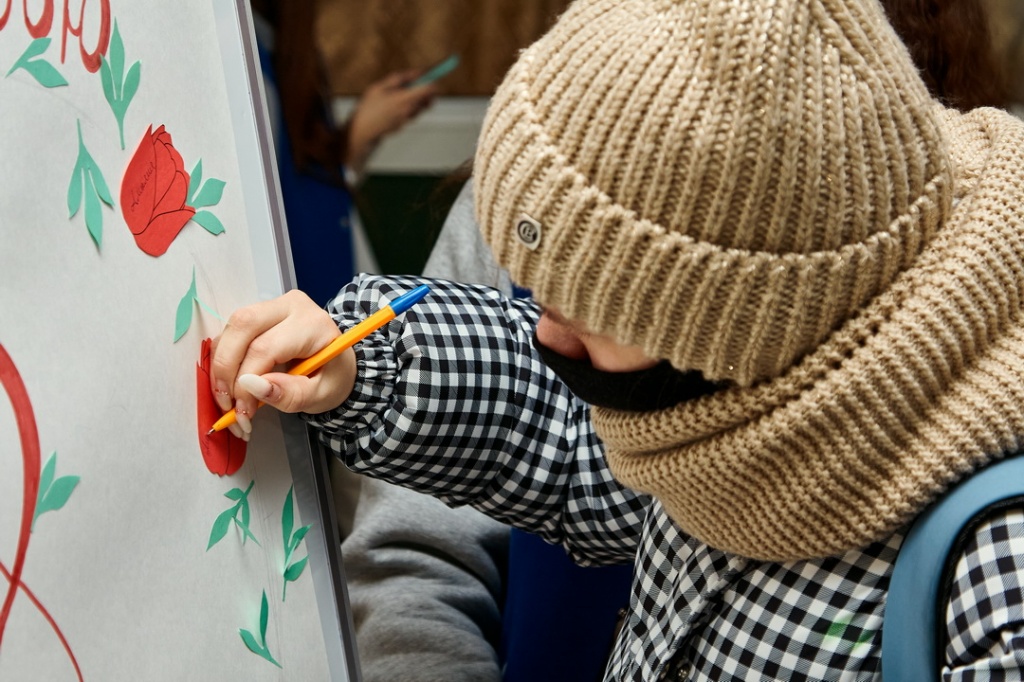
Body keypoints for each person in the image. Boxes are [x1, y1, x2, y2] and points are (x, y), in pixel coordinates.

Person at [211, 0, 1024, 679]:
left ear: (732, 319)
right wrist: (366, 366)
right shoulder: (740, 406)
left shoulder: (996, 577)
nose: (543, 329)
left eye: (585, 312)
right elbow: (563, 440)